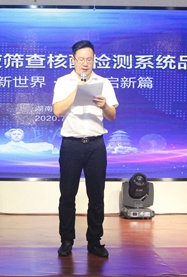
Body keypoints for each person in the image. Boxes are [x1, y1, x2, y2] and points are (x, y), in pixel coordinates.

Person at [52, 40, 118, 258]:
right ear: (73, 60)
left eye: (89, 59)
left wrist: (104, 105)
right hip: (71, 145)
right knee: (67, 195)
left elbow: (112, 115)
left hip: (96, 145)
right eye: (81, 59)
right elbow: (57, 111)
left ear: (94, 60)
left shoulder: (103, 82)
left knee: (96, 196)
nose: (85, 63)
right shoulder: (63, 82)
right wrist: (77, 91)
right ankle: (66, 240)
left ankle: (95, 241)